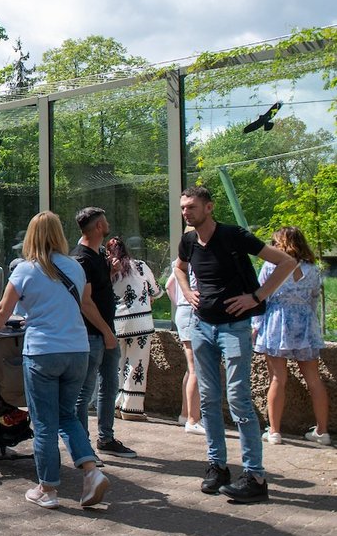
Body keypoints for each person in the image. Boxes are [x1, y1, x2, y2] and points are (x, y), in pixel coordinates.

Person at [175, 186, 296, 503]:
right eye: (183, 207)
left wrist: (256, 296)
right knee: (208, 398)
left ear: (209, 207)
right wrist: (186, 292)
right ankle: (217, 467)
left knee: (238, 398)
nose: (186, 212)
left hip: (234, 328)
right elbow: (178, 268)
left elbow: (286, 263)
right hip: (201, 327)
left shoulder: (233, 235)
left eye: (191, 207)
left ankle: (255, 476)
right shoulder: (189, 241)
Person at [0, 211, 109, 510]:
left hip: (43, 351)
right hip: (77, 349)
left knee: (44, 423)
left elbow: (3, 310)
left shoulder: (25, 270)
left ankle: (47, 489)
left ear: (31, 236)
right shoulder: (75, 266)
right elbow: (83, 302)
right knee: (67, 416)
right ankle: (91, 472)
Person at [253, 226, 330, 446]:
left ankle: (275, 431)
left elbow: (260, 297)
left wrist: (255, 326)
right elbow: (314, 298)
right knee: (313, 379)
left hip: (277, 322)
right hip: (305, 324)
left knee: (277, 378)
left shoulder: (271, 266)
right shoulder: (312, 269)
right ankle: (322, 431)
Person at [70, 208, 135, 459]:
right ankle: (83, 447)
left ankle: (106, 438)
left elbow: (97, 289)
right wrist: (107, 332)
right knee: (84, 392)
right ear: (98, 226)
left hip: (105, 332)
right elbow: (85, 302)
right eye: (105, 221)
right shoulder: (81, 258)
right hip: (92, 335)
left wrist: (110, 272)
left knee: (109, 385)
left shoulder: (97, 255)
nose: (108, 225)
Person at [107, 236, 163, 421]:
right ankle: (131, 407)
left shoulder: (107, 270)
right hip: (140, 322)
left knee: (118, 364)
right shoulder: (140, 266)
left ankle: (116, 404)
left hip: (117, 323)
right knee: (137, 363)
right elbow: (156, 291)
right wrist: (147, 296)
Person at [166, 255, 204, 434]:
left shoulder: (180, 262)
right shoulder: (191, 259)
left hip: (184, 311)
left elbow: (168, 286)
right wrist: (185, 302)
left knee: (191, 369)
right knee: (195, 367)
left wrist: (179, 303)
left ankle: (185, 414)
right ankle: (193, 419)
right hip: (190, 311)